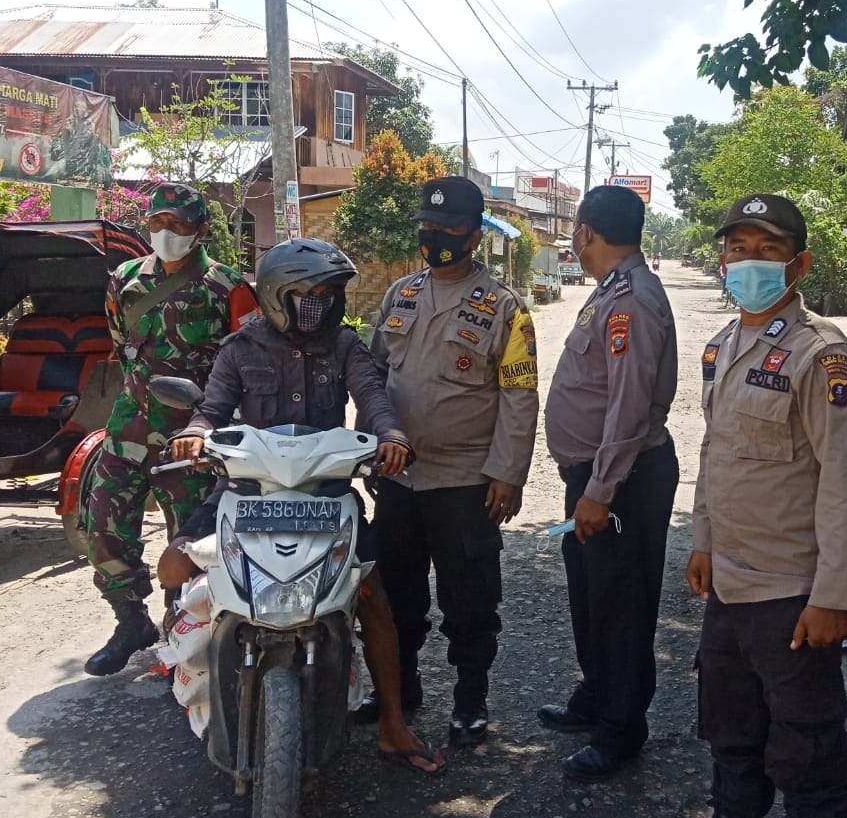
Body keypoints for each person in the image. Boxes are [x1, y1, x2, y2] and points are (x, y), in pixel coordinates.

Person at [645, 193, 847, 818]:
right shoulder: (721, 347)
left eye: (765, 249)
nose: (747, 262)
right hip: (732, 579)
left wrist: (835, 594)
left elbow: (843, 479)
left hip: (792, 588)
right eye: (736, 248)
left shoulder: (821, 353)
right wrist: (702, 538)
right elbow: (716, 457)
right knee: (731, 723)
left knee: (805, 746)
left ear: (798, 263)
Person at [158, 237, 443, 774]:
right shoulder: (239, 349)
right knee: (173, 568)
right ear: (274, 295)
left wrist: (392, 435)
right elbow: (212, 407)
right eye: (306, 293)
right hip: (246, 491)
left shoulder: (345, 347)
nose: (319, 304)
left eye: (328, 293)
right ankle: (186, 670)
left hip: (324, 492)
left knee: (376, 598)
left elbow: (374, 397)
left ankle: (392, 725)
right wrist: (195, 434)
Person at [366, 176, 539, 748]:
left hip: (466, 483)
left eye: (449, 228)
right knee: (396, 596)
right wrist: (364, 448)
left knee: (469, 600)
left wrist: (509, 473)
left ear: (474, 234)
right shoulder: (400, 295)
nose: (434, 235)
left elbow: (519, 395)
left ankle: (470, 699)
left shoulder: (506, 309)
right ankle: (401, 689)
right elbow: (370, 379)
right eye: (427, 225)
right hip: (398, 476)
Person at [82, 184, 258, 677]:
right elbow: (122, 344)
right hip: (130, 427)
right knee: (104, 528)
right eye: (158, 222)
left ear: (201, 230)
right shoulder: (126, 279)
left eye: (178, 225)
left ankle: (182, 635)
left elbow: (247, 360)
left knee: (189, 544)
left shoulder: (228, 286)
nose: (166, 233)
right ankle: (129, 621)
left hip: (195, 437)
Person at [540, 184, 679, 782]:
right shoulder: (610, 292)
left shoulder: (631, 301)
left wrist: (600, 490)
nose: (574, 237)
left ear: (587, 231)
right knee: (591, 595)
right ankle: (597, 696)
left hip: (620, 479)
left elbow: (628, 406)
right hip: (596, 476)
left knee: (621, 604)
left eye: (576, 228)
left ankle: (622, 729)